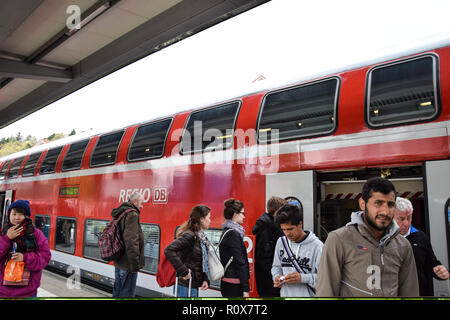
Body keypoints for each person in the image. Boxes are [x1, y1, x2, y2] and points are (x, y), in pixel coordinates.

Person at [316, 177, 419, 297]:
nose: (385, 212)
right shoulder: (339, 240)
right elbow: (326, 292)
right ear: (362, 204)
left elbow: (410, 292)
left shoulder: (403, 245)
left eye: (390, 205)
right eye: (378, 203)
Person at [394, 196, 449, 296]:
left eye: (409, 217)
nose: (406, 223)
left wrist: (439, 270)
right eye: (401, 219)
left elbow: (431, 263)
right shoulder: (383, 239)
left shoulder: (421, 237)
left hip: (419, 294)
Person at [0, 200, 51, 297]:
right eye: (14, 214)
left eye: (21, 214)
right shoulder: (3, 233)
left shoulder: (36, 234)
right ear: (9, 215)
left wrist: (25, 257)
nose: (16, 217)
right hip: (2, 291)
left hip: (27, 292)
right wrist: (6, 239)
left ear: (27, 216)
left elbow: (45, 257)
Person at [271, 204, 323, 297]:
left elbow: (325, 278)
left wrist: (302, 278)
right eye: (284, 229)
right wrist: (276, 277)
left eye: (290, 229)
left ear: (300, 224)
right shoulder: (281, 242)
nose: (287, 233)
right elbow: (276, 266)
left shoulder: (317, 246)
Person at [164, 205, 211, 297]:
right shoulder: (190, 236)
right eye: (209, 218)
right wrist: (184, 271)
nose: (210, 221)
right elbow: (169, 250)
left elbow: (200, 260)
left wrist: (205, 279)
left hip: (192, 285)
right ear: (201, 219)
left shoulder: (200, 237)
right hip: (185, 286)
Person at [112, 191, 145, 297]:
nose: (142, 206)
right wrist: (135, 265)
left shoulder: (121, 212)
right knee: (127, 293)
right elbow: (131, 241)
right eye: (141, 203)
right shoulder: (132, 214)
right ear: (135, 201)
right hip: (128, 263)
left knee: (118, 290)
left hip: (119, 260)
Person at [252, 196, 286, 297]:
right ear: (277, 211)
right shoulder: (266, 228)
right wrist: (274, 278)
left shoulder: (271, 225)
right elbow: (265, 258)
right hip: (269, 282)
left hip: (270, 279)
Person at [219, 198, 250, 297]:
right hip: (234, 284)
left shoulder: (227, 230)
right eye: (243, 213)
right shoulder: (233, 234)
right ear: (235, 214)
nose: (244, 217)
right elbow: (240, 261)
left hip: (228, 282)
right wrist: (246, 289)